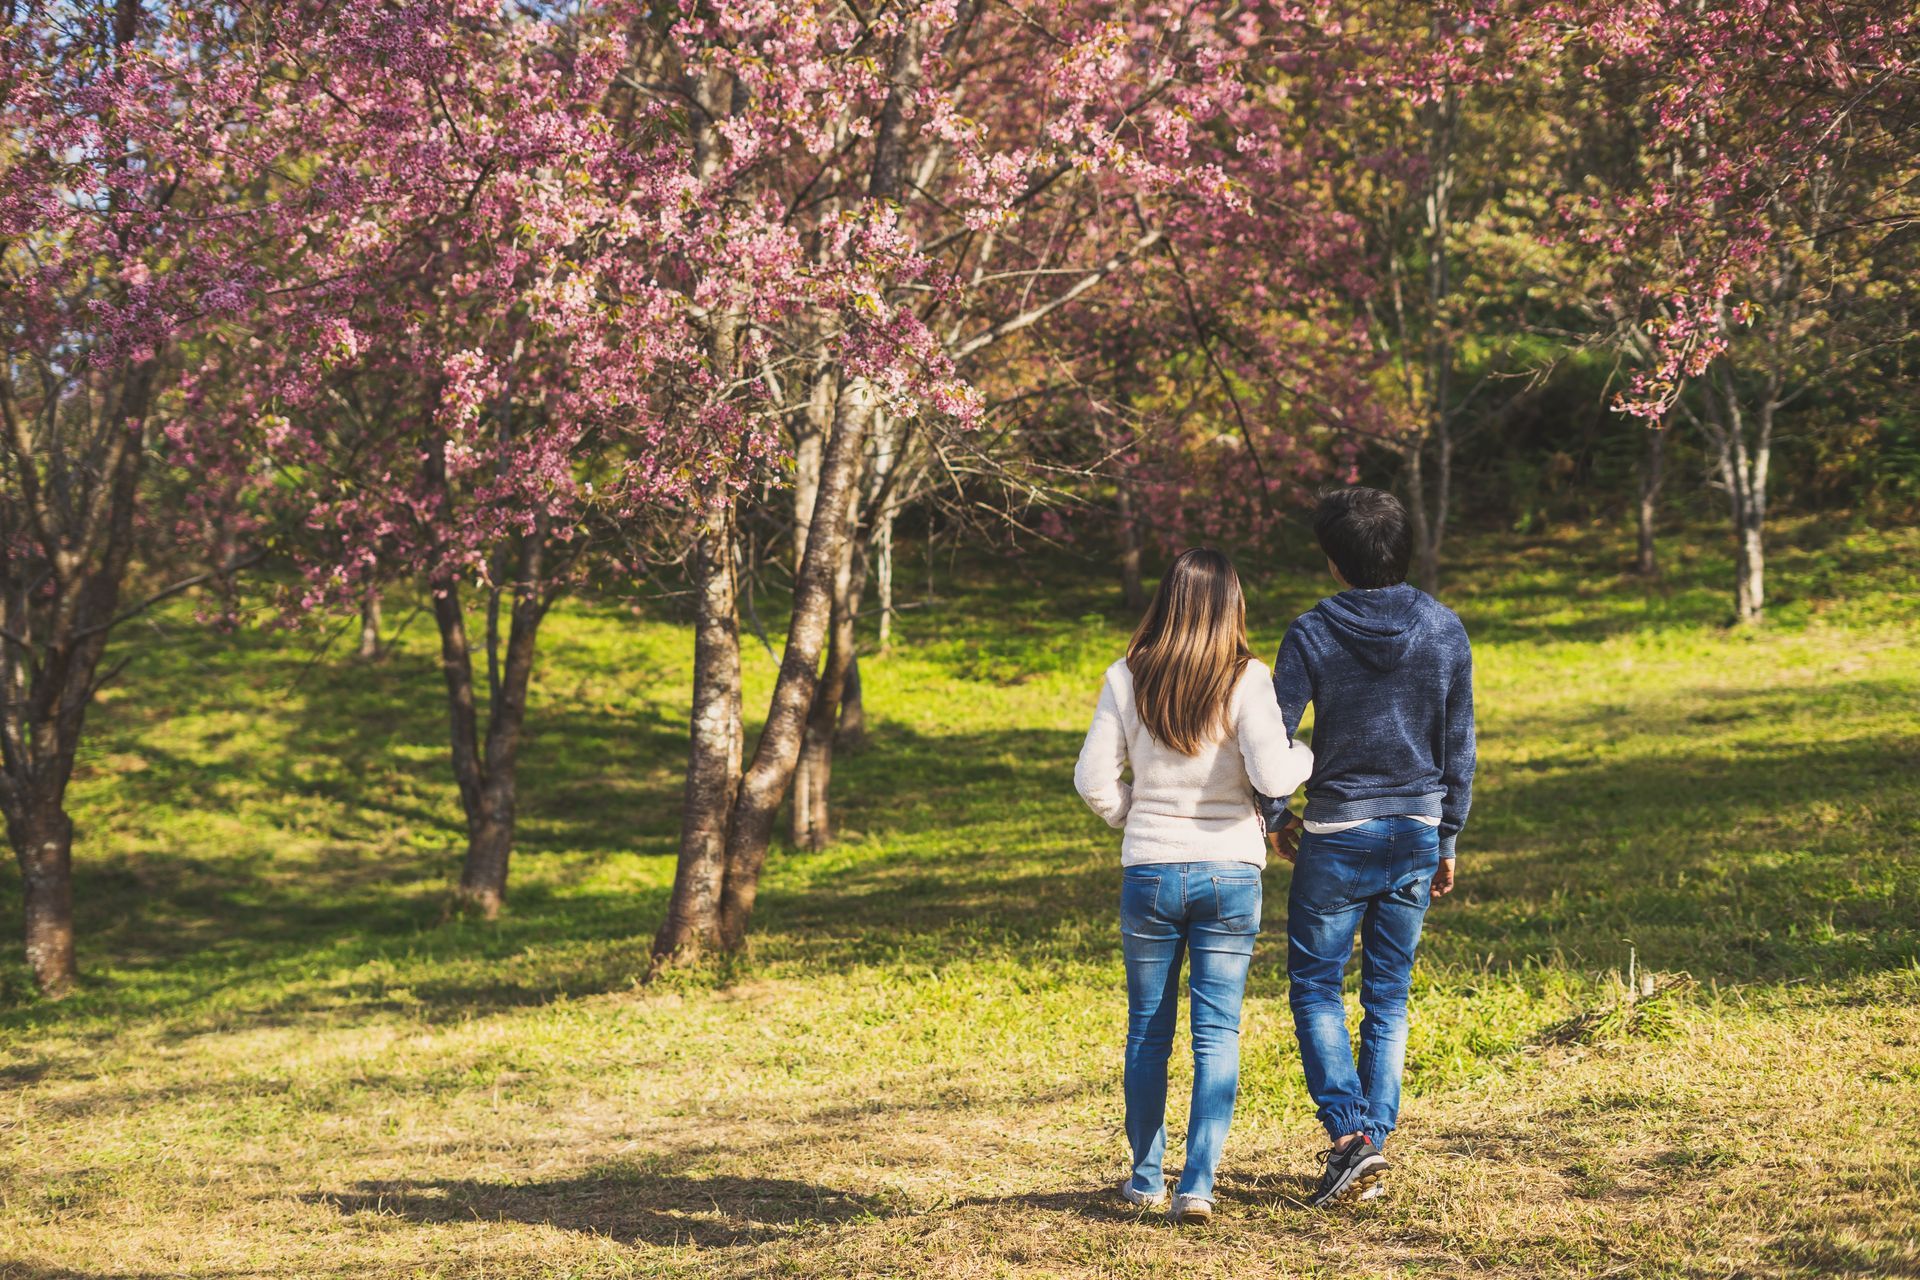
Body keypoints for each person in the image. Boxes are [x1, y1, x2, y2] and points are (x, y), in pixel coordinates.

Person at [1075, 547, 1314, 1225]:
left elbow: (1093, 780)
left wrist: (1138, 819)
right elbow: (1274, 775)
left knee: (1148, 1034)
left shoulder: (1126, 676)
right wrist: (1309, 754)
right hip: (1230, 872)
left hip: (1149, 870)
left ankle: (1145, 1178)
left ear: (1168, 599)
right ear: (1231, 604)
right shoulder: (1248, 678)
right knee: (1217, 1033)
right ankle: (1199, 1184)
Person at [1259, 486, 1477, 1207]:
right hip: (1416, 827)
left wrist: (1273, 813)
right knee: (1389, 994)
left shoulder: (1311, 631)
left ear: (1333, 561)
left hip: (1337, 832)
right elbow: (1459, 746)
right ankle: (1370, 1145)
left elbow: (1273, 735)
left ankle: (1351, 1138)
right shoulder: (1444, 629)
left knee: (1317, 986)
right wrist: (1448, 834)